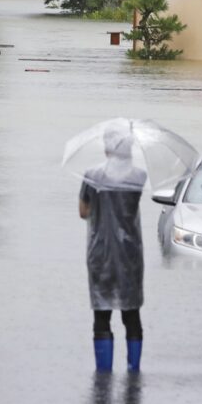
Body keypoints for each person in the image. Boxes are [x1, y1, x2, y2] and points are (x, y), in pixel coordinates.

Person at [79, 126, 147, 373]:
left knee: (102, 313)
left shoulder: (92, 176)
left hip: (100, 253)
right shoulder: (139, 176)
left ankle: (104, 372)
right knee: (131, 314)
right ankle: (133, 369)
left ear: (107, 148)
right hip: (130, 254)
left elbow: (83, 212)